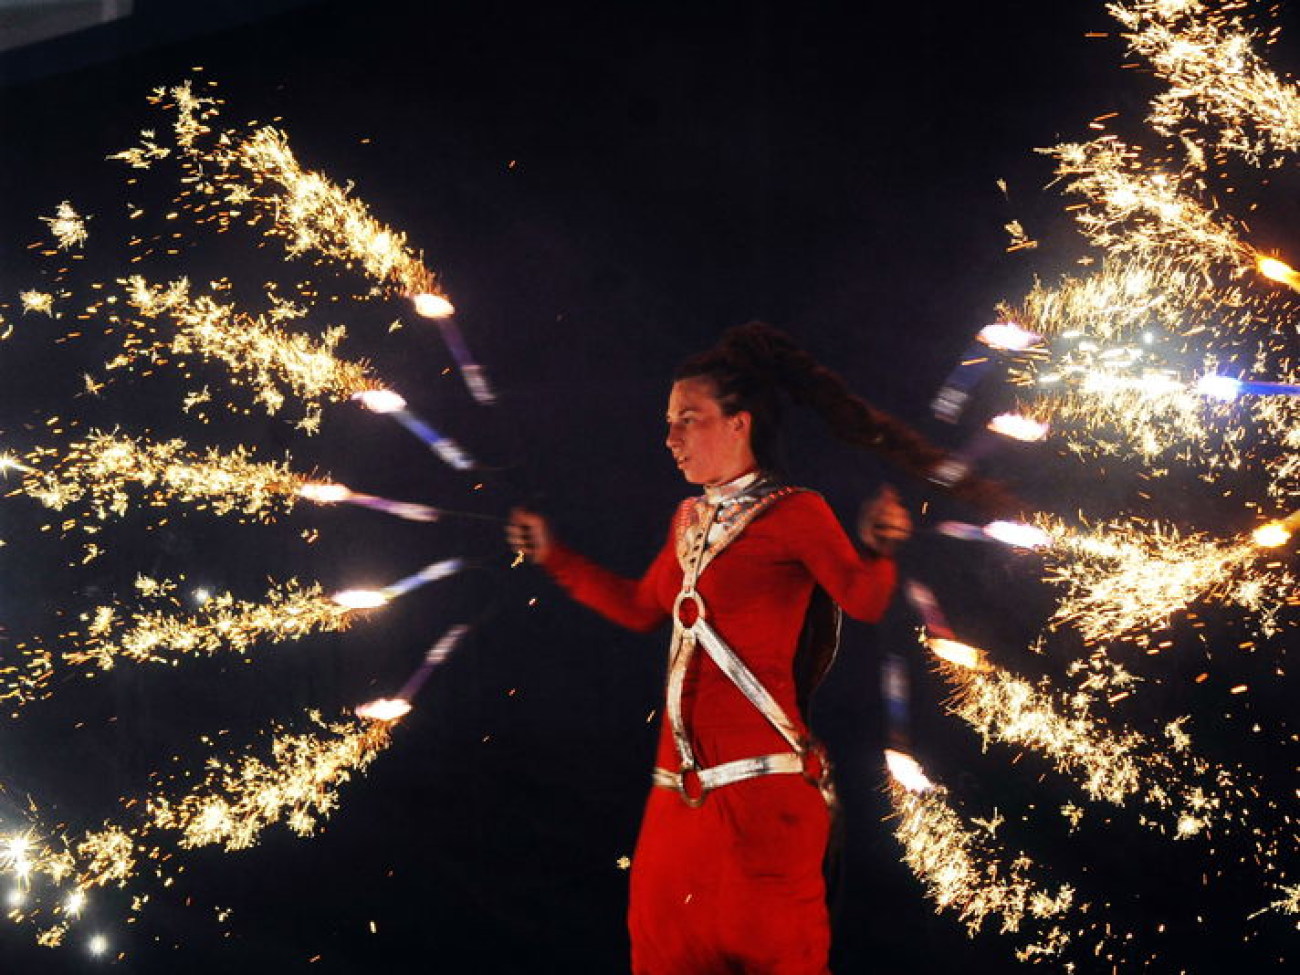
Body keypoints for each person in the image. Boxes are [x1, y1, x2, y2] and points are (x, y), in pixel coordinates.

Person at [507, 322, 1001, 975]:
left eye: (689, 419)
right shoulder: (687, 520)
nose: (671, 436)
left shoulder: (796, 511)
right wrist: (555, 558)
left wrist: (879, 548)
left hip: (763, 804)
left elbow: (862, 599)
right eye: (668, 421)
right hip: (674, 810)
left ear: (738, 424)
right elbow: (639, 608)